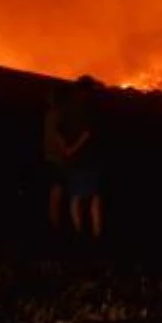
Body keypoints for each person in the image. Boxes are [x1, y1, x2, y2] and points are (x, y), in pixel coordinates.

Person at [58, 76, 103, 239]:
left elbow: (59, 131)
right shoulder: (89, 107)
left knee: (75, 196)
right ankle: (96, 233)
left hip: (76, 159)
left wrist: (67, 149)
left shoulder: (67, 107)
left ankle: (79, 233)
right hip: (88, 158)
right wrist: (74, 149)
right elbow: (87, 133)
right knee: (94, 196)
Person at [43, 87, 68, 231]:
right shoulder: (56, 115)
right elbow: (58, 136)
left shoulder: (52, 115)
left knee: (54, 192)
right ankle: (54, 224)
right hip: (55, 158)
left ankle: (53, 223)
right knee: (56, 192)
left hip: (53, 158)